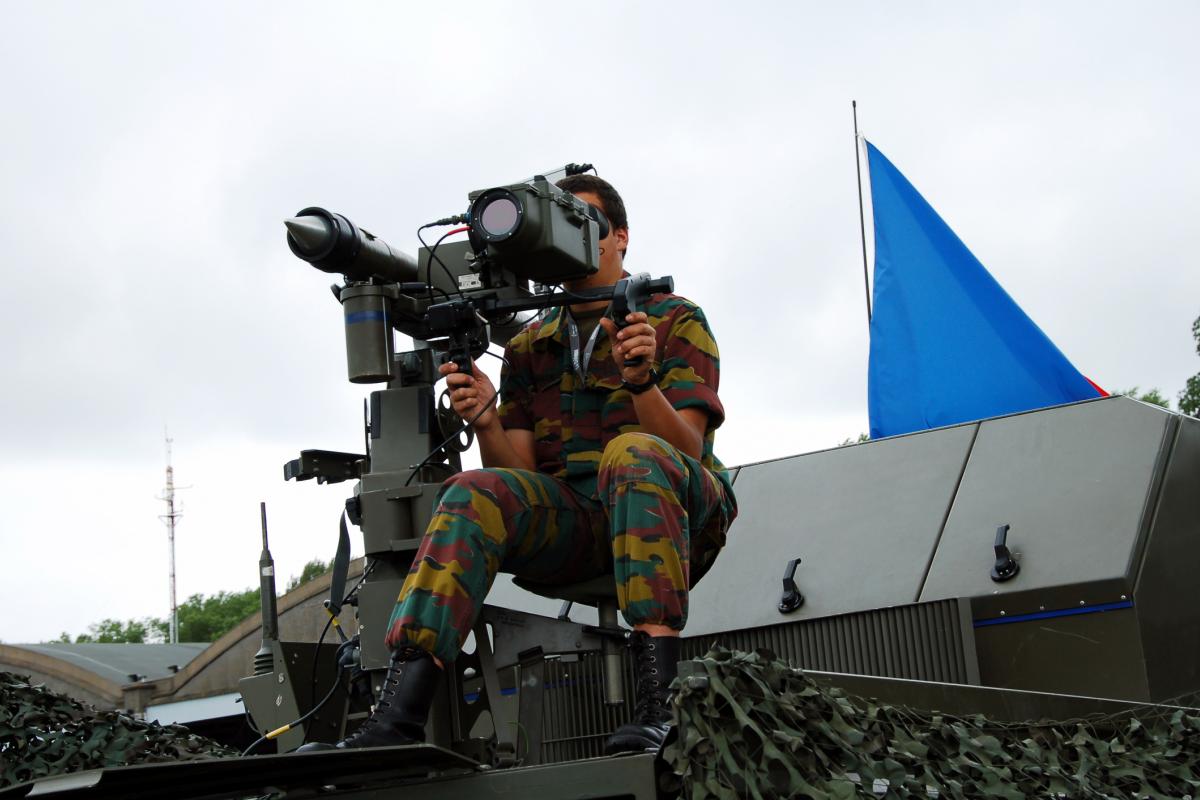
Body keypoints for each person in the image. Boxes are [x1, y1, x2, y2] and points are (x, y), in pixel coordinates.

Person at [313, 174, 736, 755]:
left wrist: (640, 381)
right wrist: (486, 418)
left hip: (680, 520)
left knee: (632, 453)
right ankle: (398, 718)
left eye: (586, 224)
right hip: (582, 524)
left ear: (621, 238)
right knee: (469, 491)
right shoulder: (529, 345)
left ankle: (660, 706)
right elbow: (520, 474)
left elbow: (688, 450)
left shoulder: (672, 319)